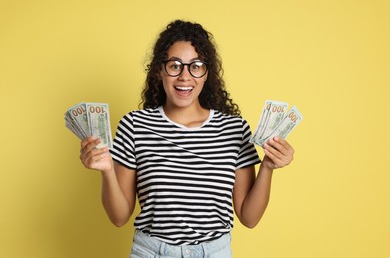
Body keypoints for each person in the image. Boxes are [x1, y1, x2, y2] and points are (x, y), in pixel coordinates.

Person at [79, 19, 294, 258]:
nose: (184, 76)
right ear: (160, 70)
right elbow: (119, 218)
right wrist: (107, 170)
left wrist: (267, 167)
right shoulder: (134, 126)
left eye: (196, 66)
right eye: (174, 65)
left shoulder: (235, 129)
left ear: (206, 73)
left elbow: (249, 218)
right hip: (151, 252)